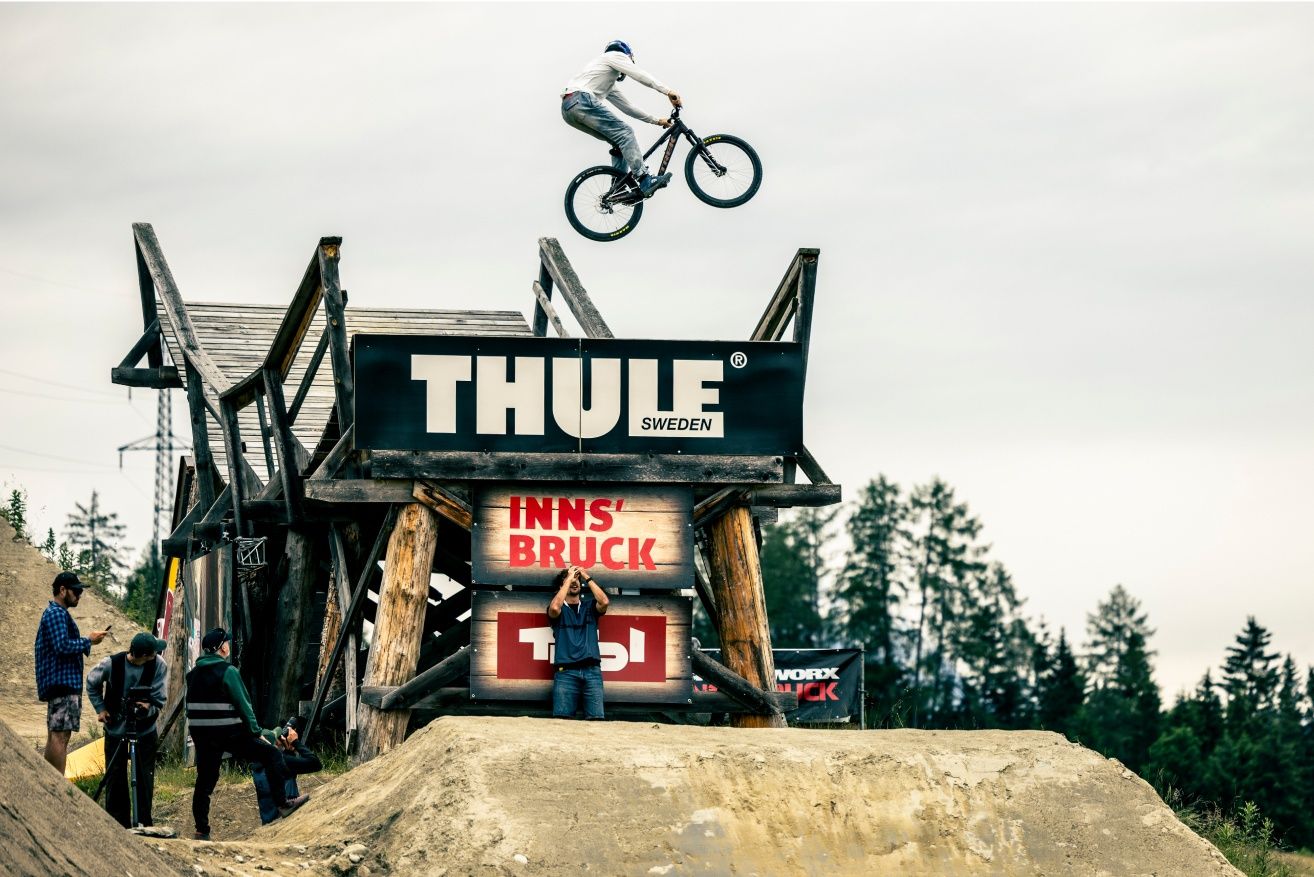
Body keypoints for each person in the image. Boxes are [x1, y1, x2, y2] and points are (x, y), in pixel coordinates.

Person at [185, 628, 307, 840]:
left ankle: (201, 829)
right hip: (229, 733)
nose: (228, 645)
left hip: (203, 736)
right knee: (271, 754)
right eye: (226, 642)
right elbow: (244, 705)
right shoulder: (228, 671)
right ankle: (283, 804)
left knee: (204, 781)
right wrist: (256, 732)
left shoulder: (192, 675)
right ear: (222, 648)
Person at [561, 39, 683, 199]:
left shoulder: (606, 81)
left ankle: (617, 188)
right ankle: (645, 179)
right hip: (581, 99)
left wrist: (656, 120)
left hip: (568, 109)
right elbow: (639, 75)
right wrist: (668, 91)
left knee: (619, 142)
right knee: (626, 133)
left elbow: (628, 107)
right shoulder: (615, 55)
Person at [87, 632, 168, 828]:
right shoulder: (111, 664)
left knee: (144, 780)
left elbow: (160, 698)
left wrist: (148, 707)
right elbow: (91, 682)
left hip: (145, 731)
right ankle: (118, 826)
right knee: (115, 780)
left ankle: (143, 824)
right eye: (153, 652)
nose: (157, 654)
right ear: (144, 655)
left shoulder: (158, 665)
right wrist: (101, 708)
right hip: (116, 730)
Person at [35, 571, 108, 773]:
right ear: (62, 590)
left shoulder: (55, 613)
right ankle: (57, 784)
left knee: (56, 734)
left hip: (59, 683)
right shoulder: (57, 614)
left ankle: (49, 781)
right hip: (63, 683)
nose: (79, 595)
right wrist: (88, 640)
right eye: (76, 591)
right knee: (61, 735)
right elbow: (62, 645)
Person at [546, 565, 610, 719]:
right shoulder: (557, 608)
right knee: (562, 722)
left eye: (577, 580)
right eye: (570, 580)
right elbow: (554, 608)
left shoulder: (589, 606)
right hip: (565, 672)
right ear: (561, 586)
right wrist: (569, 578)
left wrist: (586, 576)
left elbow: (604, 602)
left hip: (592, 671)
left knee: (596, 721)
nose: (574, 582)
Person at [251, 718, 323, 825]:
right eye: (277, 739)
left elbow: (285, 770)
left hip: (269, 823)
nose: (280, 740)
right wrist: (296, 742)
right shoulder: (281, 761)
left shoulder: (256, 766)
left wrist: (287, 751)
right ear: (272, 745)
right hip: (286, 820)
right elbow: (316, 764)